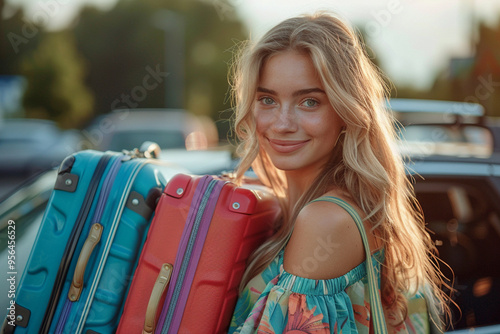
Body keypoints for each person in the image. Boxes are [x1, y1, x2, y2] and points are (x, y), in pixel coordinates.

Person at [227, 12, 451, 333]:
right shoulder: (301, 208)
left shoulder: (325, 220)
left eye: (309, 102)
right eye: (267, 99)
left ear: (346, 111)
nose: (282, 123)